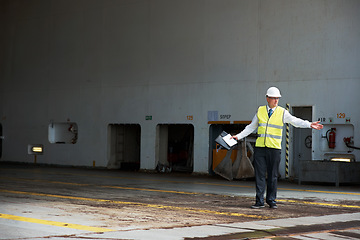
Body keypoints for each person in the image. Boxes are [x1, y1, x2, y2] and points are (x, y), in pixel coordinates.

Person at [231, 87, 323, 209]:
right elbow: (251, 127)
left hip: (274, 149)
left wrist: (309, 124)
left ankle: (271, 200)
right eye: (274, 98)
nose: (276, 100)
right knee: (259, 175)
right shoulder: (260, 111)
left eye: (277, 98)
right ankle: (259, 201)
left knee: (273, 176)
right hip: (260, 148)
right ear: (267, 98)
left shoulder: (282, 112)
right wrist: (238, 136)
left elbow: (296, 121)